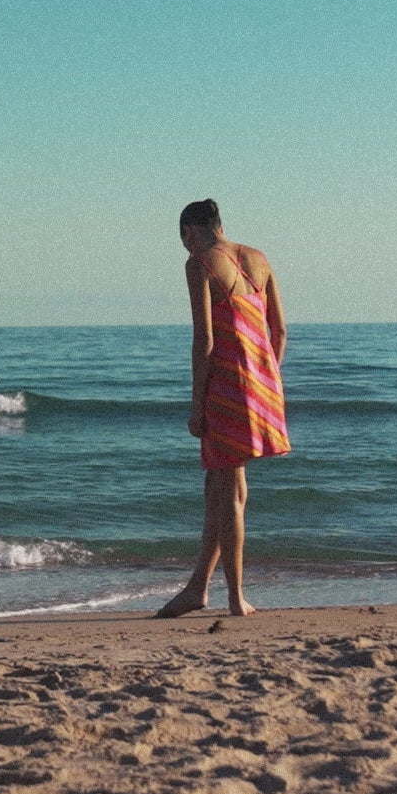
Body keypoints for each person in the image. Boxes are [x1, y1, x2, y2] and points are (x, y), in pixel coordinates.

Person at [158, 199, 290, 618]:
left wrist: (197, 404)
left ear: (191, 232)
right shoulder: (259, 259)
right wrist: (265, 380)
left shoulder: (200, 264)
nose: (186, 247)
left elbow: (205, 341)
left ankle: (235, 597)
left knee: (228, 489)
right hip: (263, 384)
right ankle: (198, 587)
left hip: (226, 387)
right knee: (219, 486)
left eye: (184, 240)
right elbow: (279, 331)